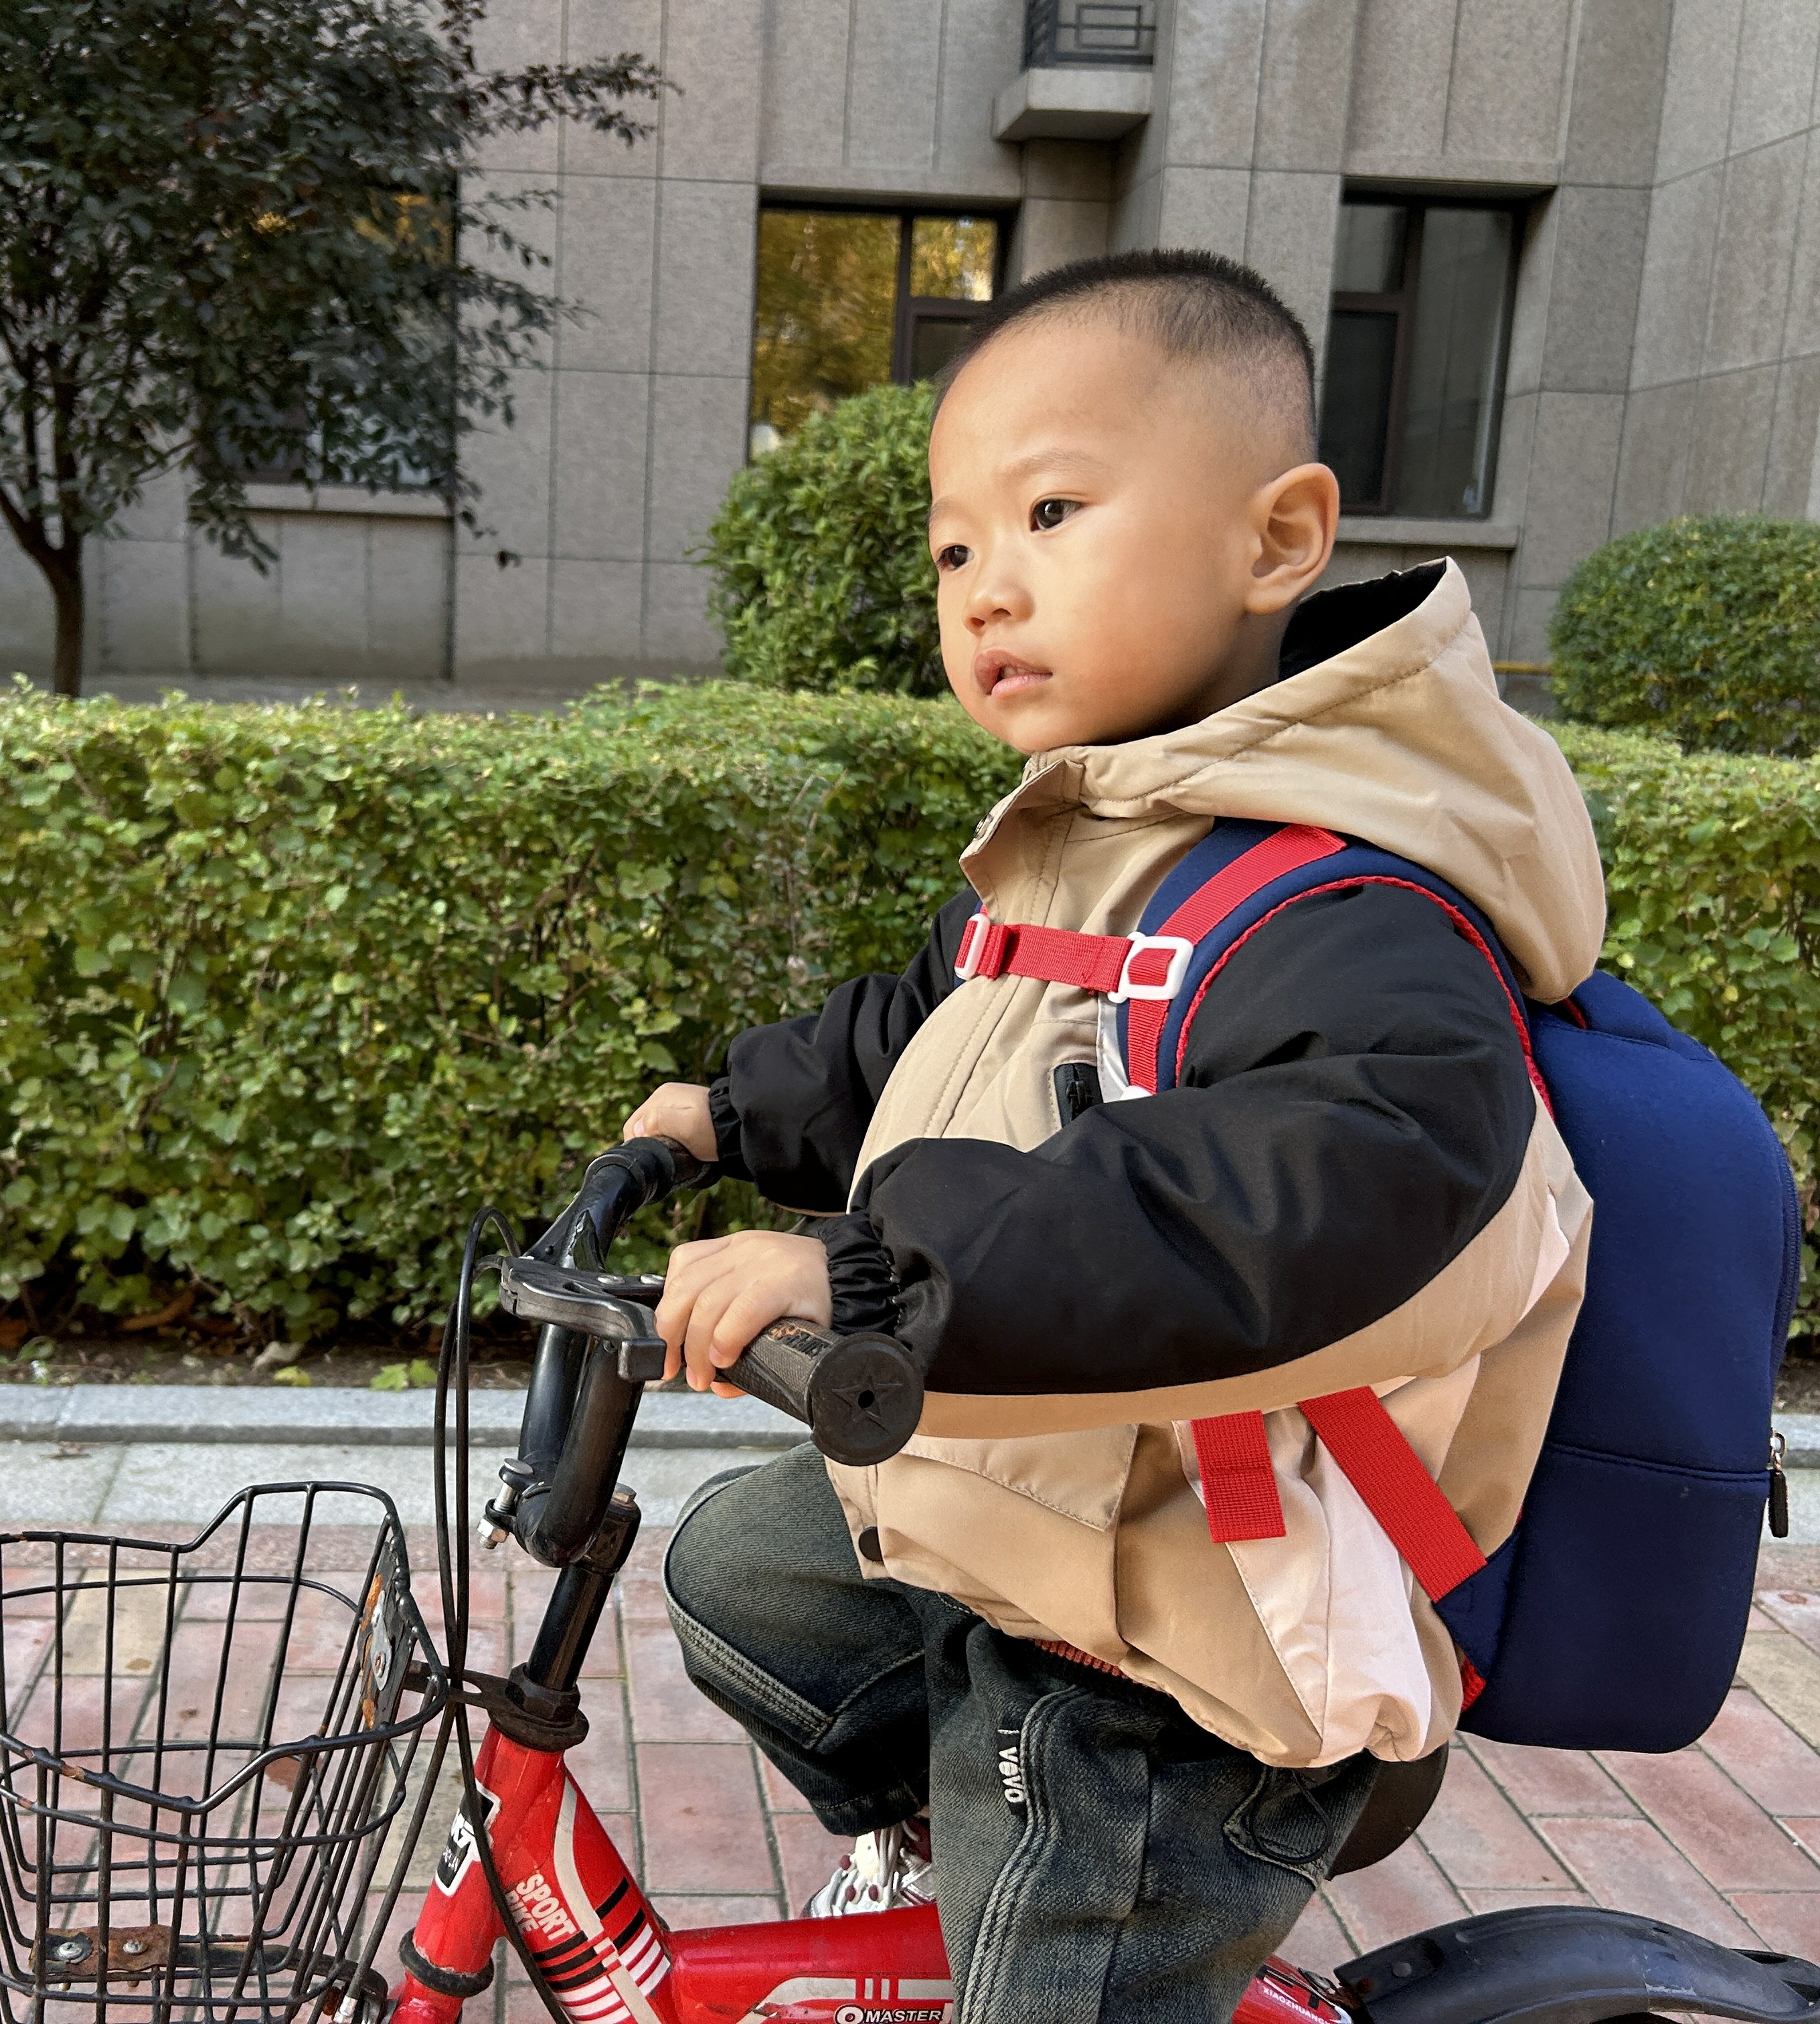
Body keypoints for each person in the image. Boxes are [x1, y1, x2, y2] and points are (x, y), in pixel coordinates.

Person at [625, 249, 1604, 2022]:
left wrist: (869, 1270)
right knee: (741, 1574)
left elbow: (1269, 1208)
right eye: (952, 550)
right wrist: (731, 1113)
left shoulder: (1353, 912)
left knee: (1057, 1948)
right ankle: (946, 1846)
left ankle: (1073, 1924)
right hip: (1070, 1516)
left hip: (1200, 1631)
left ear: (1277, 539)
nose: (987, 586)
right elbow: (939, 1023)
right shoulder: (1097, 840)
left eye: (1052, 512)